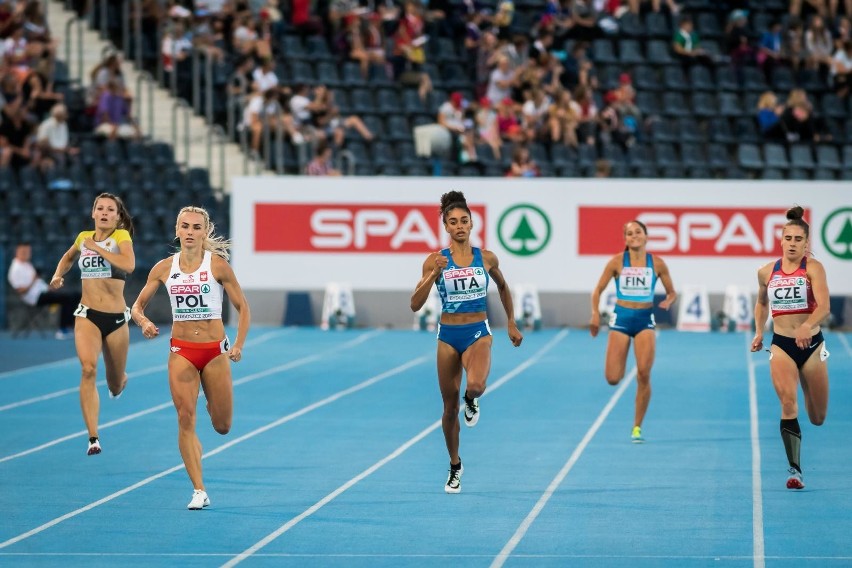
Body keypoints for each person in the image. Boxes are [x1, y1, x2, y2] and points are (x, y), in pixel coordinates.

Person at [131, 206, 251, 510]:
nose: (189, 232)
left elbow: (243, 308)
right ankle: (199, 489)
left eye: (196, 227)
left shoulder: (218, 266)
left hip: (214, 351)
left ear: (204, 232)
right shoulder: (163, 268)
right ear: (176, 229)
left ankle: (212, 400)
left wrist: (238, 344)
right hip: (181, 351)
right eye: (184, 226)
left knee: (222, 426)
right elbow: (136, 307)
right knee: (185, 418)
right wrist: (144, 323)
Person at [410, 191, 523, 494]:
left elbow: (503, 286)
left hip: (477, 332)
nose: (459, 225)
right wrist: (432, 274)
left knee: (475, 385)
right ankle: (455, 465)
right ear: (446, 227)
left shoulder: (486, 258)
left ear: (472, 224)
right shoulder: (435, 261)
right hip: (447, 336)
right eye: (453, 222)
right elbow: (414, 304)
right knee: (448, 409)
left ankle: (471, 400)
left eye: (464, 220)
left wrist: (510, 321)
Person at [49, 193, 136, 455]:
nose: (105, 212)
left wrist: (98, 248)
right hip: (87, 314)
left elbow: (129, 265)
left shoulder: (121, 237)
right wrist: (57, 274)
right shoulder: (82, 237)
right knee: (88, 369)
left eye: (111, 209)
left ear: (118, 217)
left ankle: (120, 382)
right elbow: (68, 257)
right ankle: (93, 437)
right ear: (93, 213)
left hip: (117, 318)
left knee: (114, 383)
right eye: (100, 208)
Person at [750, 206, 830, 490]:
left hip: (812, 346)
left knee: (817, 417)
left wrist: (808, 326)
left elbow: (825, 306)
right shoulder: (765, 272)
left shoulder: (813, 269)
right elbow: (761, 303)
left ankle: (810, 393)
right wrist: (760, 331)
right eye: (789, 238)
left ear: (806, 243)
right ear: (781, 240)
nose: (793, 244)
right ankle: (795, 470)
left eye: (798, 239)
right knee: (787, 402)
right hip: (782, 344)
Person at [589, 220, 676, 443]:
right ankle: (621, 356)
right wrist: (595, 314)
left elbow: (672, 292)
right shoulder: (617, 262)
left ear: (646, 237)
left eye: (638, 232)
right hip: (621, 319)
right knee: (612, 378)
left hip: (645, 320)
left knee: (644, 374)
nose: (634, 236)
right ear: (625, 239)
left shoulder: (657, 264)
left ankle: (637, 426)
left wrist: (668, 300)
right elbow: (597, 290)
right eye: (629, 233)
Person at [7, 242, 80, 339]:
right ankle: (63, 330)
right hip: (35, 298)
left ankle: (70, 326)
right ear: (17, 252)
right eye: (24, 251)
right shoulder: (15, 268)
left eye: (28, 251)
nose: (27, 254)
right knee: (67, 298)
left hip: (43, 292)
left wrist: (49, 288)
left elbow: (37, 282)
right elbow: (21, 291)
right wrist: (33, 280)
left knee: (75, 295)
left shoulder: (26, 264)